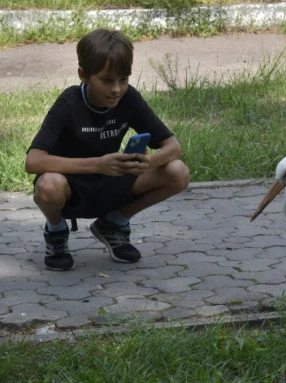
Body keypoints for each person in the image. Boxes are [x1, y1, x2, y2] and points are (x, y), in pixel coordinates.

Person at [25, 28, 190, 271]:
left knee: (178, 172)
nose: (116, 89)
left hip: (112, 183)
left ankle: (113, 223)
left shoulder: (128, 98)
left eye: (123, 79)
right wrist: (98, 164)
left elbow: (173, 147)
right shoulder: (68, 103)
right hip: (72, 190)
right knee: (49, 184)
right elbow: (33, 162)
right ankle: (56, 232)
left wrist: (148, 163)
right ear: (83, 75)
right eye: (106, 80)